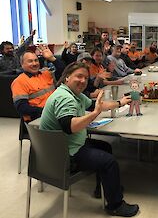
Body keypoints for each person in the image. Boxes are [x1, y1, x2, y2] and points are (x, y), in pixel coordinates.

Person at [39, 62, 139, 217]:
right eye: (79, 76)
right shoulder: (65, 98)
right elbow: (69, 127)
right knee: (109, 161)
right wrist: (95, 113)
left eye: (86, 78)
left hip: (64, 145)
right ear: (66, 77)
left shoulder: (74, 94)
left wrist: (119, 103)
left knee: (105, 147)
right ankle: (115, 205)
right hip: (64, 154)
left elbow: (95, 104)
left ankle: (106, 189)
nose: (83, 81)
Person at [11, 48, 65, 122]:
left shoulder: (46, 73)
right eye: (30, 61)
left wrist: (52, 58)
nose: (34, 64)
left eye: (36, 60)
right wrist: (47, 111)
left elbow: (64, 71)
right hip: (38, 119)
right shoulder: (19, 81)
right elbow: (22, 108)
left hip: (55, 112)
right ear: (22, 64)